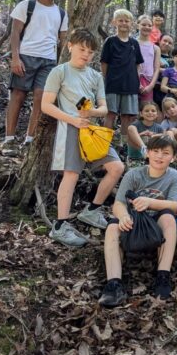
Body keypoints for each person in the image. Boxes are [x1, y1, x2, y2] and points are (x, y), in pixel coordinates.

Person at [41, 28, 125, 247]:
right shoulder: (59, 71)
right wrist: (72, 119)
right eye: (82, 49)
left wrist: (91, 112)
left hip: (92, 130)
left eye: (90, 51)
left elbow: (104, 108)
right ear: (70, 46)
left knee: (117, 167)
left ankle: (92, 211)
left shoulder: (95, 75)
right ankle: (60, 225)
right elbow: (46, 105)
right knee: (71, 175)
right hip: (69, 128)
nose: (86, 55)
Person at [98, 135, 177, 307]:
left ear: (173, 157)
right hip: (133, 221)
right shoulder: (134, 174)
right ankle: (113, 284)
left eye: (165, 153)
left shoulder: (176, 177)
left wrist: (149, 202)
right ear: (148, 153)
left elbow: (174, 206)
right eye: (156, 151)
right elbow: (119, 203)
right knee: (112, 227)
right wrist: (123, 216)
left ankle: (163, 276)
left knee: (168, 218)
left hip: (156, 222)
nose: (160, 156)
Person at [5, 0, 69, 146]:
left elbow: (63, 41)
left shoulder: (62, 13)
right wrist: (15, 58)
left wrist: (62, 66)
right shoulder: (27, 6)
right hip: (26, 55)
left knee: (41, 97)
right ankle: (9, 138)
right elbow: (15, 33)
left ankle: (30, 138)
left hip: (48, 61)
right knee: (18, 95)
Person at [101, 9, 143, 142]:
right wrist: (107, 79)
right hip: (113, 83)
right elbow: (104, 63)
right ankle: (105, 141)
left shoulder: (134, 43)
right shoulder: (110, 41)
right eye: (120, 20)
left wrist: (137, 81)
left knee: (127, 116)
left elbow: (137, 64)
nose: (124, 23)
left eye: (127, 21)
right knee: (110, 113)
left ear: (132, 24)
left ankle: (124, 144)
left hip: (130, 84)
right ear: (114, 22)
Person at [136, 15, 161, 106]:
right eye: (144, 25)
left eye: (149, 25)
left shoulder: (155, 48)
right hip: (133, 79)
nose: (147, 27)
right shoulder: (132, 43)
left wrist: (151, 85)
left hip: (148, 82)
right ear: (137, 25)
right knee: (130, 113)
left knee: (146, 108)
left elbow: (157, 68)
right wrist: (137, 84)